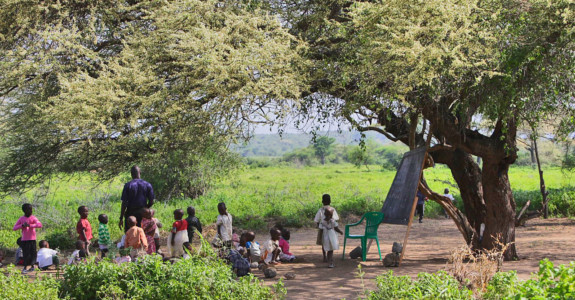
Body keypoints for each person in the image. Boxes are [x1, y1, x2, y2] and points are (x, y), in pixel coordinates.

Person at [119, 165, 155, 232]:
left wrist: (121, 218)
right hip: (143, 214)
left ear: (131, 174)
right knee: (142, 233)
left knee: (130, 233)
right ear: (140, 172)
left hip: (130, 213)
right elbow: (151, 201)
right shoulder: (147, 184)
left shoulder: (128, 185)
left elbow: (124, 203)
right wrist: (145, 209)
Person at [13, 203, 42, 273]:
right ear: (24, 210)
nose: (30, 211)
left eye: (31, 209)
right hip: (25, 240)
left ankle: (32, 266)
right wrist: (22, 225)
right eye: (29, 209)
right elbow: (14, 228)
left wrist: (30, 225)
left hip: (32, 239)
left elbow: (39, 225)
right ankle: (25, 267)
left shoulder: (33, 218)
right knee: (26, 254)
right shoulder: (21, 219)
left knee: (33, 253)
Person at [314, 194, 339, 262]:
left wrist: (319, 225)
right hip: (331, 230)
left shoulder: (321, 210)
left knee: (323, 242)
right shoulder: (332, 209)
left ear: (322, 201)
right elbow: (336, 219)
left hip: (322, 229)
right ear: (330, 201)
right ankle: (330, 257)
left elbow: (316, 220)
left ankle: (324, 256)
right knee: (332, 242)